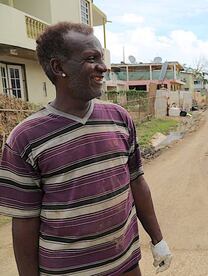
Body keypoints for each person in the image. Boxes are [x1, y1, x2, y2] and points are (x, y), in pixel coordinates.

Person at [0, 22, 171, 275]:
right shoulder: (25, 138)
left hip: (126, 264)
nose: (103, 67)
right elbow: (24, 221)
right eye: (91, 59)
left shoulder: (119, 118)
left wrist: (158, 240)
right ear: (59, 67)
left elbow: (137, 182)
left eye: (101, 58)